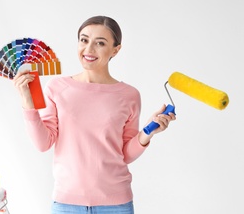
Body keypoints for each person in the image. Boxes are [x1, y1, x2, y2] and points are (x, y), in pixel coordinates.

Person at [12, 15, 176, 214]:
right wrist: (26, 100)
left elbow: (124, 154)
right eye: (84, 40)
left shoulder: (129, 95)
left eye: (100, 43)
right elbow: (43, 143)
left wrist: (148, 131)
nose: (89, 49)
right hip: (66, 204)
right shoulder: (56, 88)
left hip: (116, 205)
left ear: (116, 50)